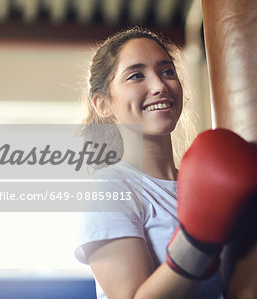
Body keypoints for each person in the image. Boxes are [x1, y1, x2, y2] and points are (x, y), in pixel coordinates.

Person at [74, 27, 224, 299]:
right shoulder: (109, 187)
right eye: (136, 75)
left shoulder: (204, 186)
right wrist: (199, 241)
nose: (159, 86)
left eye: (167, 71)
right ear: (103, 104)